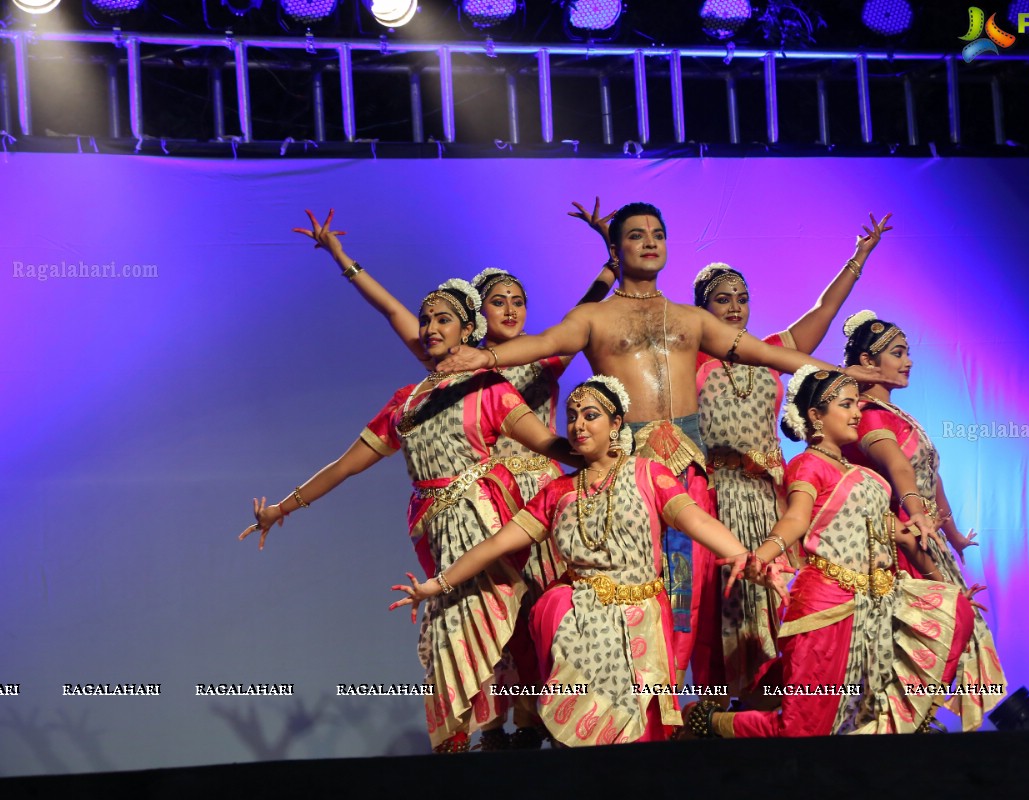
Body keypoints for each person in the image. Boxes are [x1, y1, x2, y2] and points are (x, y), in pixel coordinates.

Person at [438, 201, 879, 682]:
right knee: (636, 589)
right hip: (626, 471)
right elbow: (543, 344)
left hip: (688, 468)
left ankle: (671, 712)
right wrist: (482, 360)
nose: (649, 242)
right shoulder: (593, 317)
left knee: (689, 593)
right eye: (636, 235)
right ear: (616, 247)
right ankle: (631, 708)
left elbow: (767, 352)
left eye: (657, 234)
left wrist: (837, 371)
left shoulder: (691, 319)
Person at [237, 278, 579, 752]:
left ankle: (510, 734)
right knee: (449, 632)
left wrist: (600, 452)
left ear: (467, 330)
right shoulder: (407, 401)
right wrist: (281, 508)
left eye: (444, 320)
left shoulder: (489, 387)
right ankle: (469, 740)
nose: (432, 327)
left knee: (495, 625)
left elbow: (548, 443)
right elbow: (346, 465)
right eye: (427, 320)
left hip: (483, 520)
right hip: (434, 532)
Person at [391, 376, 780, 745]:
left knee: (638, 737)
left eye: (590, 415)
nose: (578, 425)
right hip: (577, 622)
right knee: (578, 732)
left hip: (640, 620)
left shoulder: (648, 474)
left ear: (616, 424)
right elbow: (495, 545)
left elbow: (698, 521)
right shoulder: (557, 492)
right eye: (572, 417)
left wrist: (746, 558)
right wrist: (436, 585)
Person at [681, 367, 978, 738]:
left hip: (877, 605)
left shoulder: (870, 478)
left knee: (957, 615)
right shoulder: (809, 465)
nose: (857, 413)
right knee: (802, 729)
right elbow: (795, 518)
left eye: (857, 404)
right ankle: (708, 723)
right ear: (816, 416)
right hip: (827, 606)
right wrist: (765, 552)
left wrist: (945, 586)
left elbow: (899, 535)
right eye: (846, 404)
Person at [687, 212, 891, 697]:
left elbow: (823, 310)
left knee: (787, 597)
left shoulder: (772, 350)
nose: (735, 307)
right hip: (722, 497)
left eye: (742, 298)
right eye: (722, 299)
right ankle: (729, 709)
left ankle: (791, 702)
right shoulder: (689, 360)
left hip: (775, 494)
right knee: (732, 601)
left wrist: (858, 258)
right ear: (701, 309)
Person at [839, 310, 1007, 731]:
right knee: (916, 638)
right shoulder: (867, 415)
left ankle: (917, 723)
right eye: (898, 353)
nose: (909, 361)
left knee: (948, 631)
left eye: (908, 352)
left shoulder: (897, 415)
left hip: (926, 536)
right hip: (898, 543)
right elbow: (900, 472)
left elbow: (932, 479)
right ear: (867, 361)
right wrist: (921, 517)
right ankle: (891, 726)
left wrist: (952, 534)